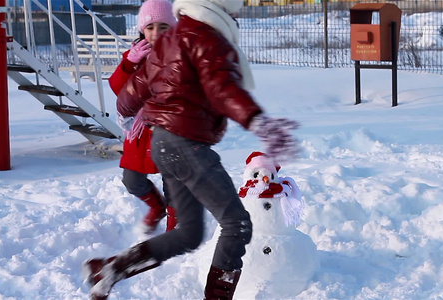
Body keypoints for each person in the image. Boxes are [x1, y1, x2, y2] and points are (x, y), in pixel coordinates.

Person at [83, 1, 300, 299]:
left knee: (189, 234)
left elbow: (130, 94)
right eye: (234, 9)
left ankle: (112, 269)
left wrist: (140, 111)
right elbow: (222, 89)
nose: (235, 15)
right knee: (236, 224)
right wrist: (259, 122)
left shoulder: (172, 38)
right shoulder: (207, 38)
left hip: (164, 143)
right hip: (186, 144)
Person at [110, 0, 177, 234]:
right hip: (139, 130)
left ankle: (175, 231)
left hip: (169, 130)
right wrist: (129, 63)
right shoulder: (135, 54)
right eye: (150, 27)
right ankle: (156, 207)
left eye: (163, 27)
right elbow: (117, 88)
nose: (155, 33)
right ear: (142, 29)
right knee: (132, 181)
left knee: (174, 185)